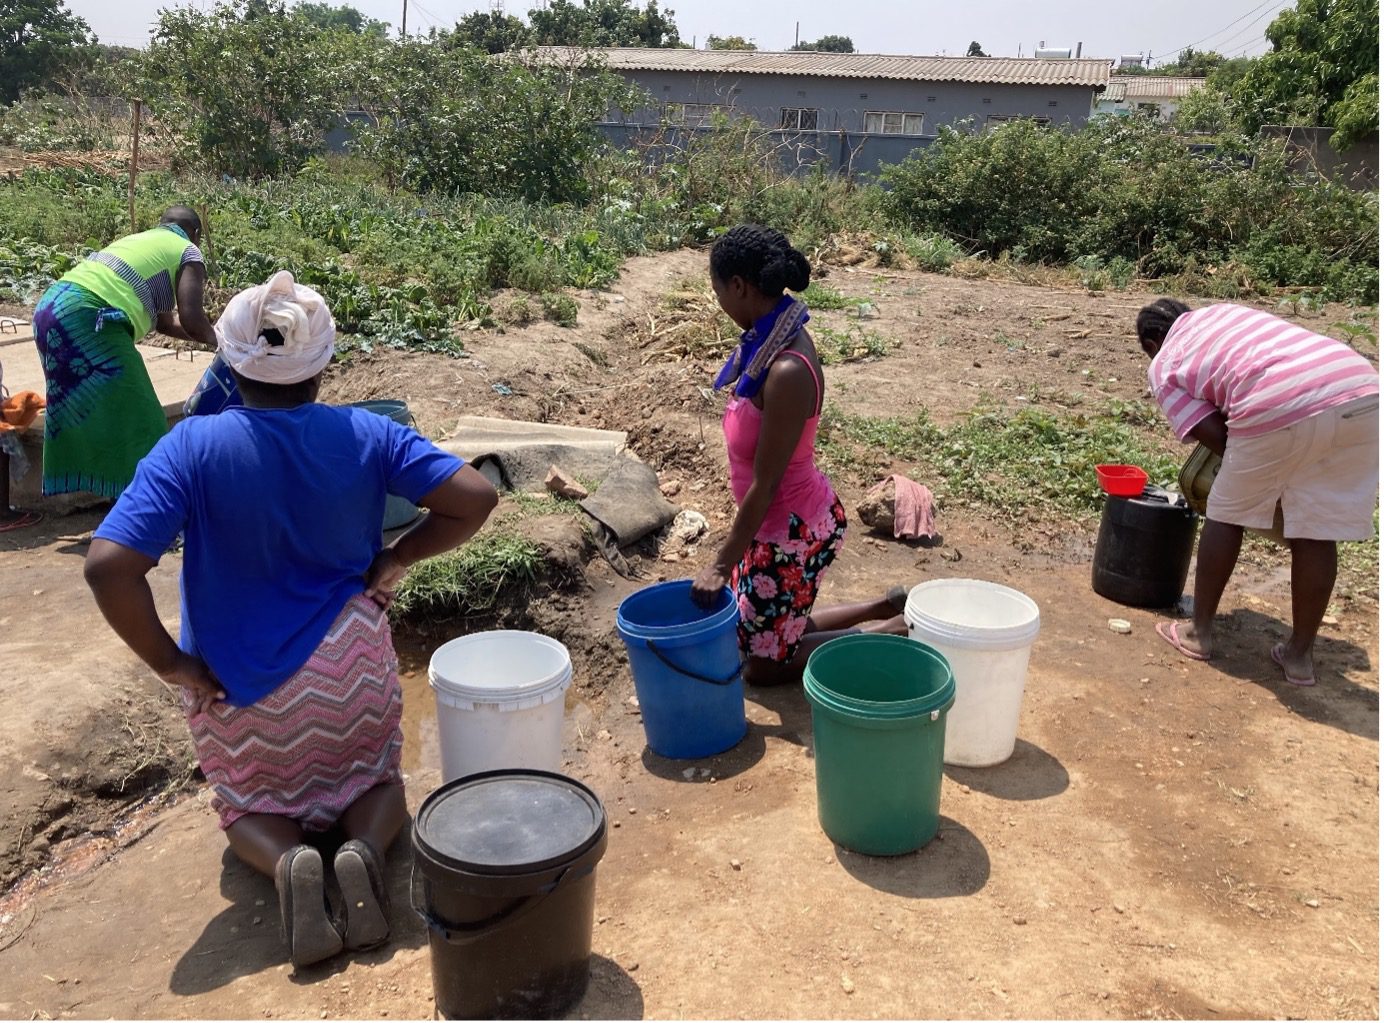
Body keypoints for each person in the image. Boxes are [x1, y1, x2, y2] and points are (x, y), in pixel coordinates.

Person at [83, 271, 499, 968]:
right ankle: (363, 849)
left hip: (240, 683)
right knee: (377, 782)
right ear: (322, 361)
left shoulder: (189, 447)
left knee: (246, 807)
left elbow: (107, 567)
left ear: (230, 358)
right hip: (349, 670)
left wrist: (173, 664)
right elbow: (476, 497)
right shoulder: (367, 432)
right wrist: (398, 555)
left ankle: (286, 862)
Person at [691, 225, 909, 685]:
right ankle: (883, 606)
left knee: (762, 666)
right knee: (757, 634)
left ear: (738, 286)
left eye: (718, 290)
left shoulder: (786, 369)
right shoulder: (769, 339)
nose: (719, 301)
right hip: (774, 522)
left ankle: (892, 631)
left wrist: (720, 564)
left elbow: (767, 483)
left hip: (792, 530)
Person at [1136, 298, 1379, 686]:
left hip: (1283, 398)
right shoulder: (1225, 314)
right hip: (1363, 391)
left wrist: (1253, 479)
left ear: (1151, 345)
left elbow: (1220, 439)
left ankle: (1198, 633)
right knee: (1316, 529)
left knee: (1225, 511)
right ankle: (1299, 657)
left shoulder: (1164, 363)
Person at [32, 206, 216, 498]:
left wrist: (211, 337)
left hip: (50, 310)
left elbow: (166, 323)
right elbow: (192, 319)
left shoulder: (141, 242)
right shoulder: (187, 250)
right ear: (195, 234)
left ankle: (112, 495)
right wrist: (225, 340)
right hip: (89, 317)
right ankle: (156, 502)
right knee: (142, 419)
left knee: (93, 412)